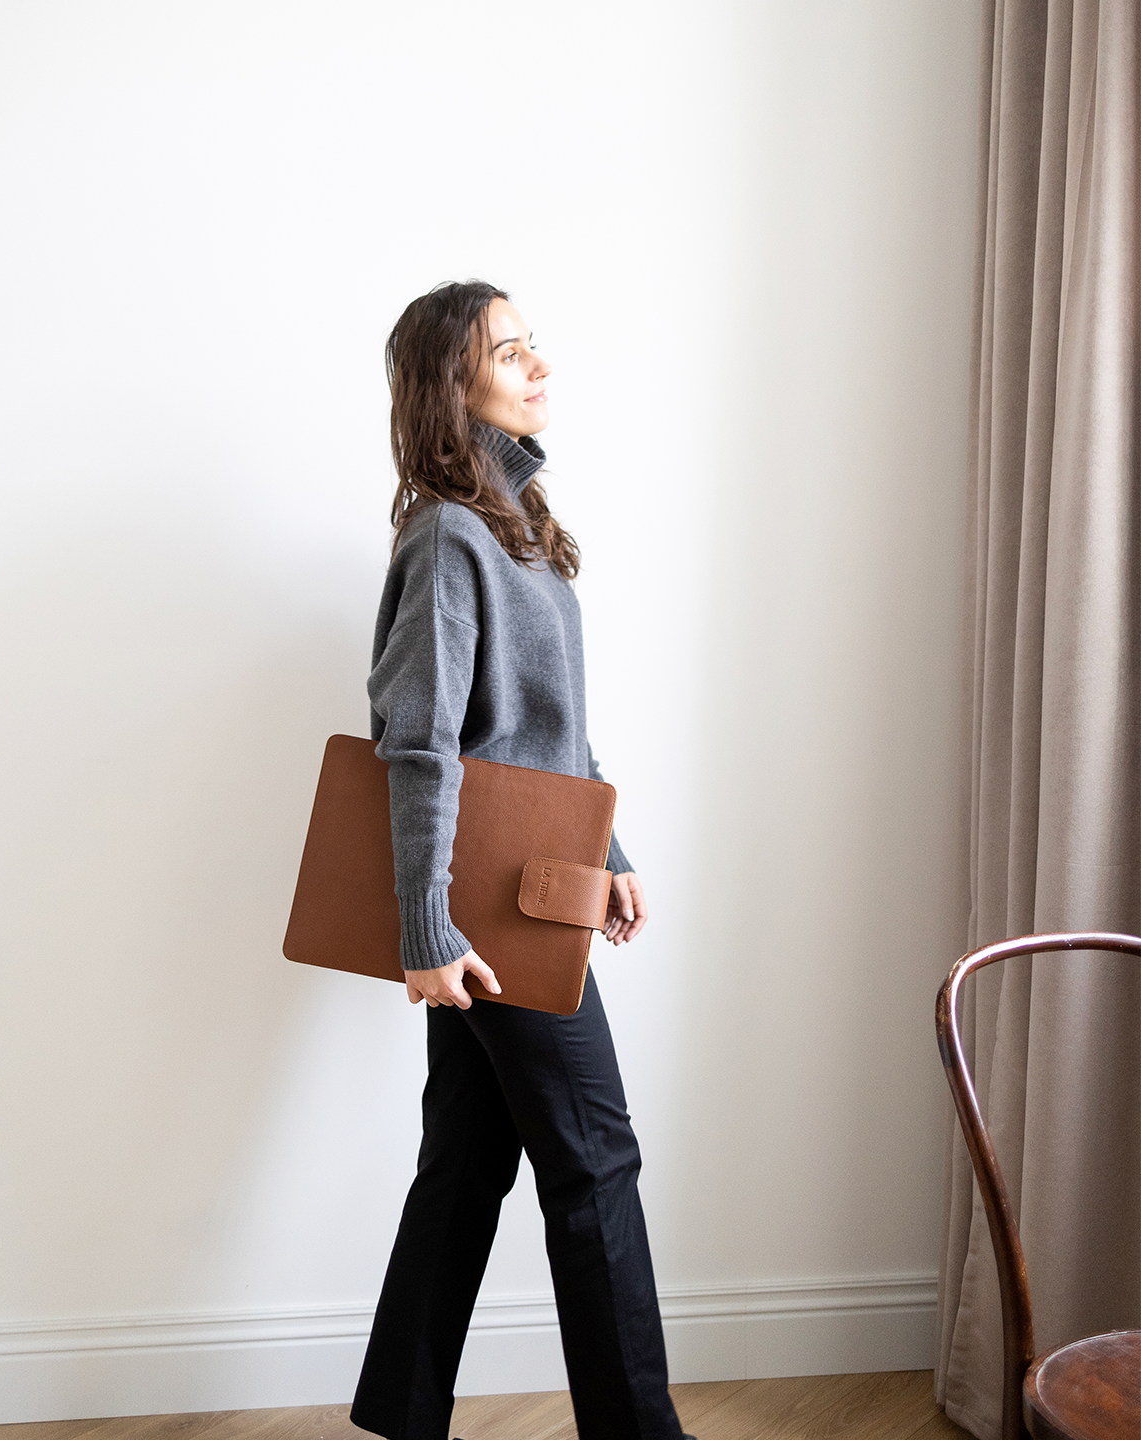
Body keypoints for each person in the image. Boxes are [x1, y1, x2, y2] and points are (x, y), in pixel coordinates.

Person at [348, 280, 692, 1440]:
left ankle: (403, 1415)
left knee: (465, 1165)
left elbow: (550, 733)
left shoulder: (516, 527)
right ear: (453, 386)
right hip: (490, 909)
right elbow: (420, 743)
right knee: (597, 1161)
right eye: (509, 352)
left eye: (534, 345)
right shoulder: (450, 535)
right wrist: (426, 930)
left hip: (534, 885)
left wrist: (612, 851)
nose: (539, 364)